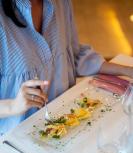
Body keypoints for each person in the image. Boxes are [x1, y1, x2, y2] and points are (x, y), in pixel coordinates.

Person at [0, 0, 133, 135]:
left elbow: (74, 56)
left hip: (67, 123)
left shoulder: (61, 3)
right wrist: (13, 106)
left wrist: (127, 70)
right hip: (17, 139)